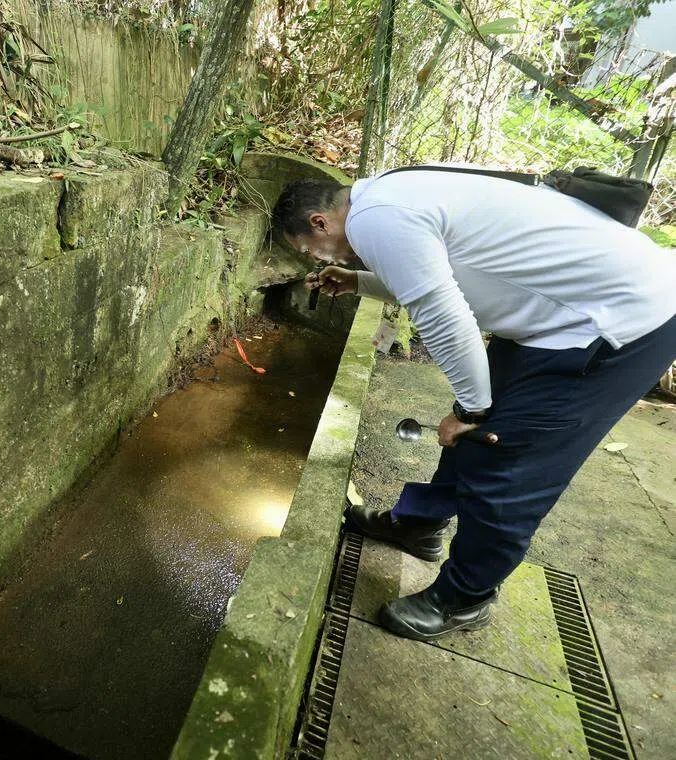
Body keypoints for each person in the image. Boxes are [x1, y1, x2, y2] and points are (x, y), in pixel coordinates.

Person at [271, 166, 676, 642]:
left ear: (320, 223)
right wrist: (358, 281)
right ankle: (420, 525)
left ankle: (464, 597)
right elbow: (438, 277)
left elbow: (443, 315)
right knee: (476, 436)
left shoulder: (376, 219)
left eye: (309, 251)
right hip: (558, 318)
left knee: (506, 458)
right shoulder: (387, 192)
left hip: (616, 325)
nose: (314, 259)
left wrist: (470, 411)